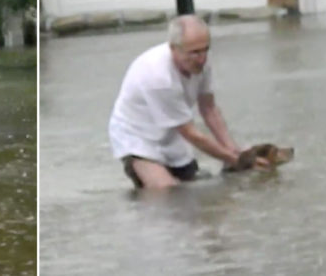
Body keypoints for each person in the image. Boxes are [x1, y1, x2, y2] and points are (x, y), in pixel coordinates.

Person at [108, 14, 267, 189]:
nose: (201, 59)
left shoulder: (203, 61)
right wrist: (235, 161)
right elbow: (191, 133)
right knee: (167, 191)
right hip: (138, 138)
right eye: (194, 53)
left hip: (171, 132)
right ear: (174, 48)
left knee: (190, 190)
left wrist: (233, 149)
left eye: (205, 49)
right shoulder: (159, 78)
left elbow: (209, 109)